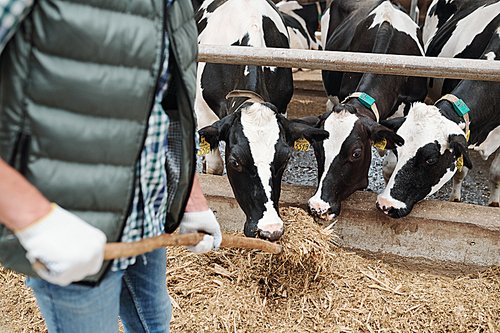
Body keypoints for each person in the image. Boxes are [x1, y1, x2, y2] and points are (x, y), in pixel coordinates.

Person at [0, 0, 221, 332]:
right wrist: (32, 216)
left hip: (148, 212)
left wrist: (189, 194)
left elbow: (168, 100)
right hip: (69, 220)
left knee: (154, 324)